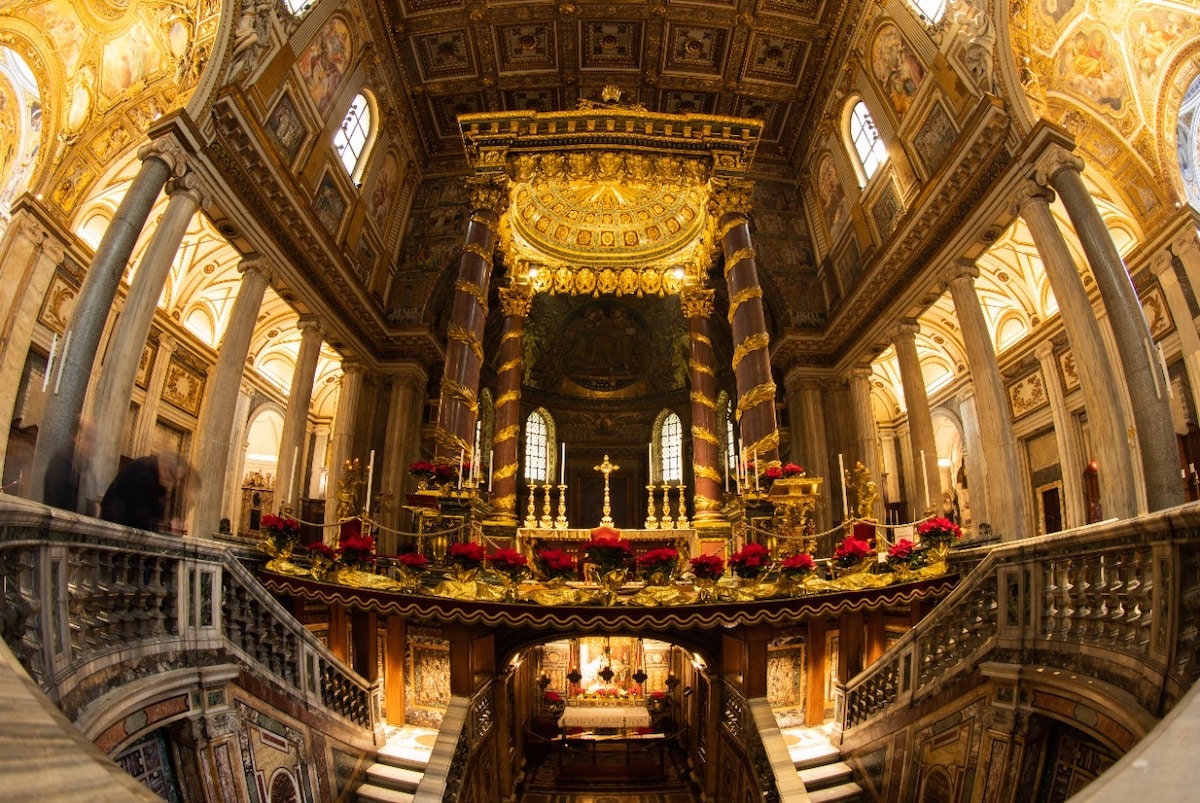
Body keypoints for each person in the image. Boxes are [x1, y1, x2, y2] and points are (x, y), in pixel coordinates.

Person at [100, 453, 193, 533]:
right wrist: (168, 527)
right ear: (165, 468)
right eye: (175, 478)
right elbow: (139, 518)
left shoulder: (157, 480)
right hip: (115, 531)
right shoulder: (143, 472)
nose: (176, 483)